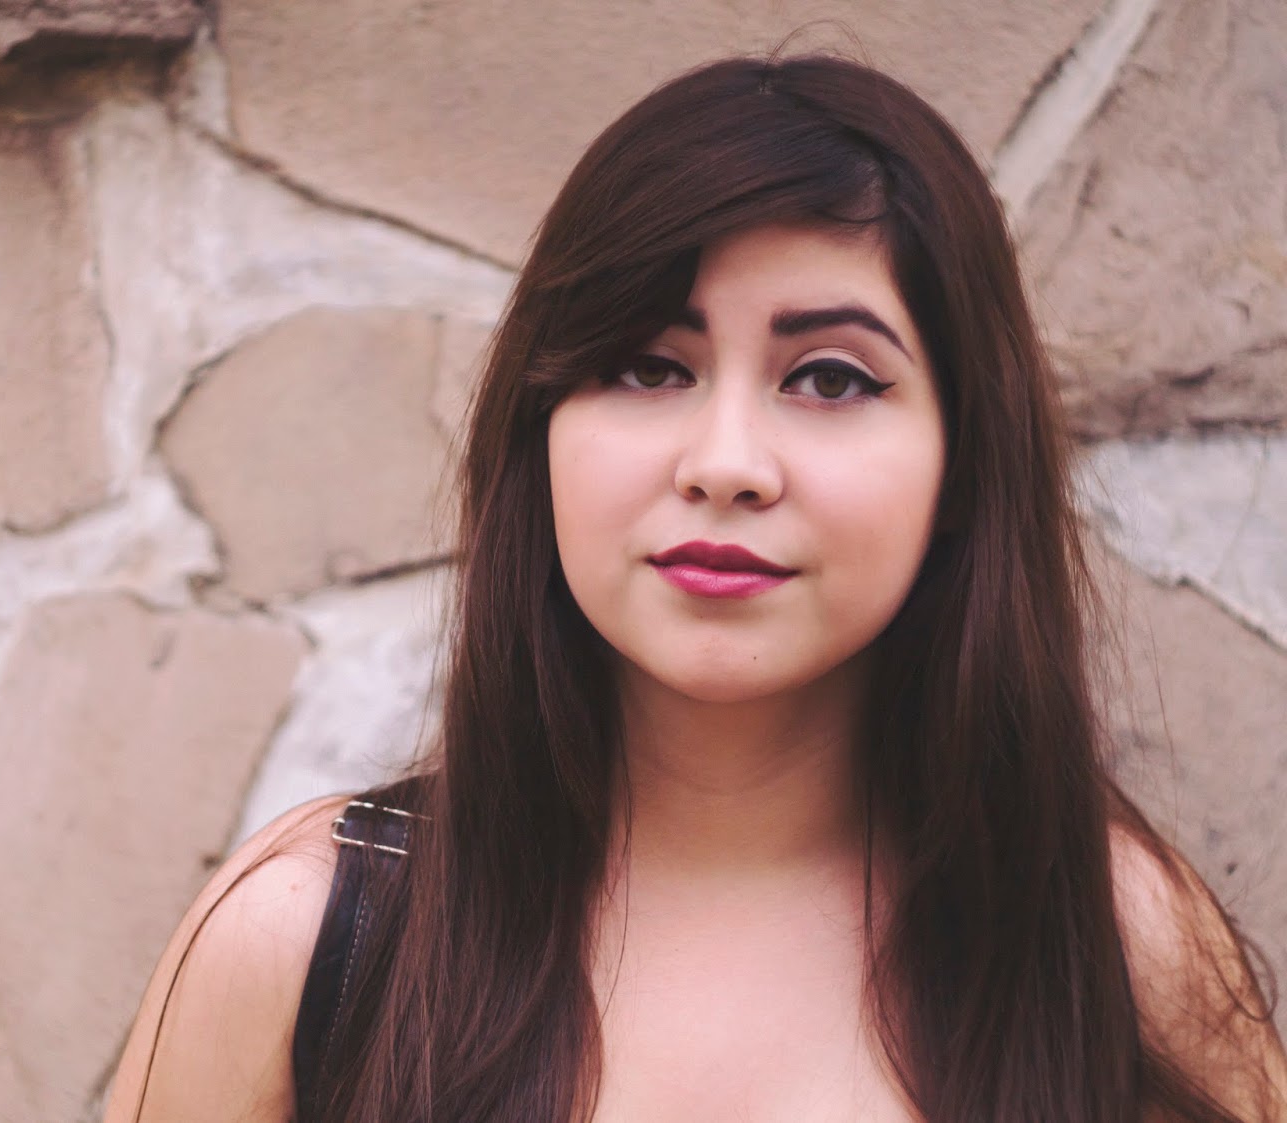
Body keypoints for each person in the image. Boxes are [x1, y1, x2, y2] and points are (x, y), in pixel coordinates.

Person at [102, 54, 1287, 1122]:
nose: (723, 464)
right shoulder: (307, 939)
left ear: (961, 465)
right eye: (646, 366)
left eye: (829, 378)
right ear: (540, 432)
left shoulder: (1110, 950)